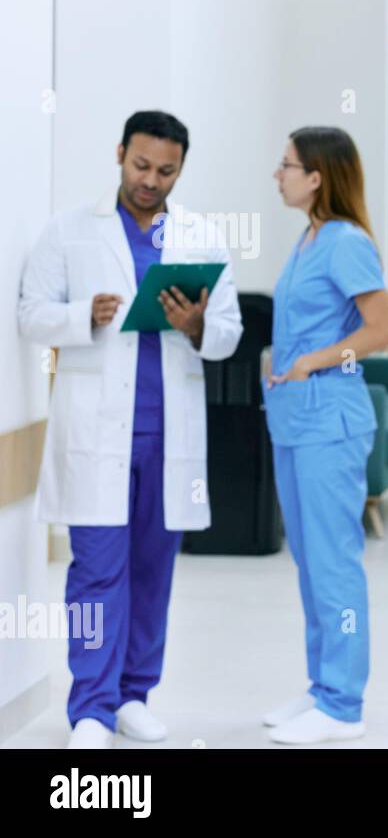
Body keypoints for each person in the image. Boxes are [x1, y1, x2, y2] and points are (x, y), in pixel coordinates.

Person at [18, 110, 243, 748]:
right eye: (141, 165)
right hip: (95, 436)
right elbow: (31, 314)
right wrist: (80, 316)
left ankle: (134, 696)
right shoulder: (68, 231)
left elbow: (227, 333)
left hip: (169, 439)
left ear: (181, 169)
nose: (150, 180)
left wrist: (198, 326)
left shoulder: (201, 236)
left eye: (165, 170)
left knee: (153, 572)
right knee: (95, 575)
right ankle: (90, 706)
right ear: (120, 153)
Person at [261, 126, 388, 745]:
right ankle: (321, 688)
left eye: (287, 165)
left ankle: (343, 706)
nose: (278, 174)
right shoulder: (309, 237)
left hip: (330, 423)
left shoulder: (344, 241)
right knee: (310, 560)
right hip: (295, 420)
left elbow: (383, 329)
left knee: (334, 561)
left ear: (317, 176)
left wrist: (314, 360)